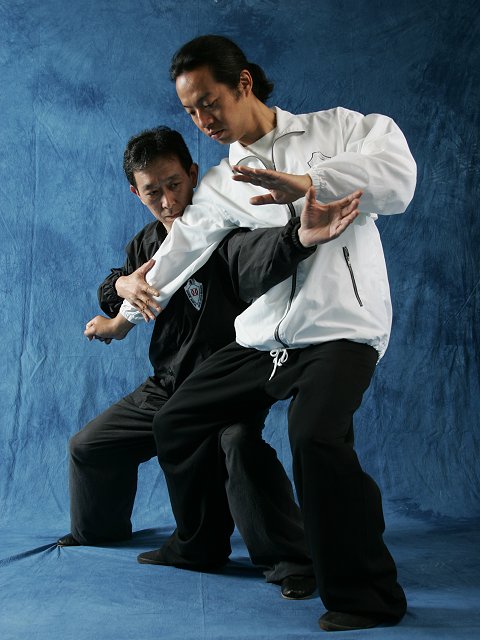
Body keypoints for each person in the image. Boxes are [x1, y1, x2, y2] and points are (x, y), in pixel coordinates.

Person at [110, 36, 417, 632]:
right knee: (177, 420)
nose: (203, 121)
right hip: (266, 340)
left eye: (210, 103)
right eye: (191, 112)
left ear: (244, 83)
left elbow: (398, 179)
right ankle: (200, 543)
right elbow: (181, 249)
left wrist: (308, 182)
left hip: (340, 329)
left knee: (315, 438)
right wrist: (127, 312)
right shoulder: (221, 182)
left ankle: (366, 596)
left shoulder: (339, 129)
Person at [58, 125, 361, 600]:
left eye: (174, 184)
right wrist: (120, 287)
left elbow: (261, 258)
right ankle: (99, 531)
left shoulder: (224, 232)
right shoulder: (144, 245)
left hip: (226, 386)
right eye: (152, 192)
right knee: (88, 446)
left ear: (194, 174)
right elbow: (114, 284)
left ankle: (291, 562)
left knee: (237, 444)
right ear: (135, 193)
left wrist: (299, 239)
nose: (167, 201)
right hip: (165, 385)